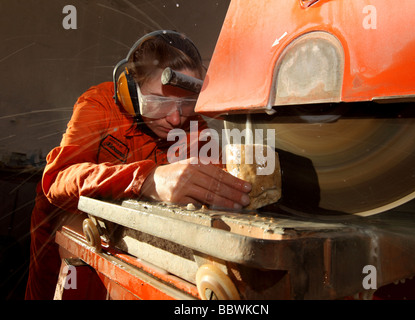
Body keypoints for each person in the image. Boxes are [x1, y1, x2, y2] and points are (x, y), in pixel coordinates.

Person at [25, 30, 252, 300]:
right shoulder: (98, 104)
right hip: (60, 239)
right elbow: (58, 179)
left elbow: (212, 183)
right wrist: (149, 179)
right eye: (158, 101)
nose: (175, 118)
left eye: (187, 103)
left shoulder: (193, 126)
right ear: (128, 90)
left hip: (127, 246)